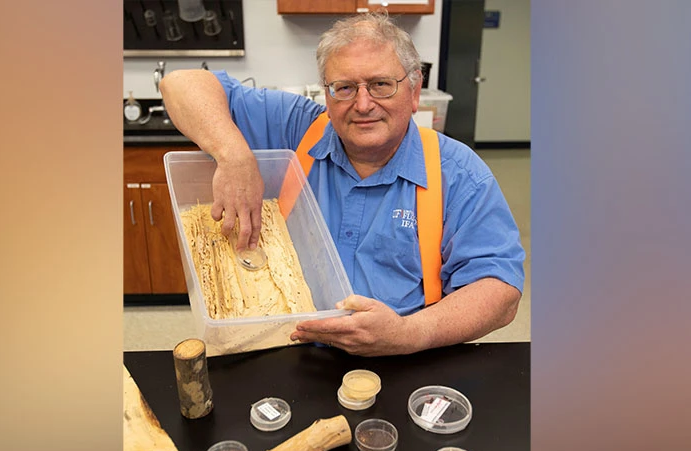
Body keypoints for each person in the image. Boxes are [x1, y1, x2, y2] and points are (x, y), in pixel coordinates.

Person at [160, 12, 525, 357]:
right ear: (326, 94)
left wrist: (410, 333)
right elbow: (180, 83)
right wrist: (233, 154)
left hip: (405, 356)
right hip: (286, 347)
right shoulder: (296, 128)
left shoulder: (458, 173)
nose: (363, 104)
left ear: (414, 94)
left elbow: (500, 290)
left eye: (381, 85)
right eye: (345, 87)